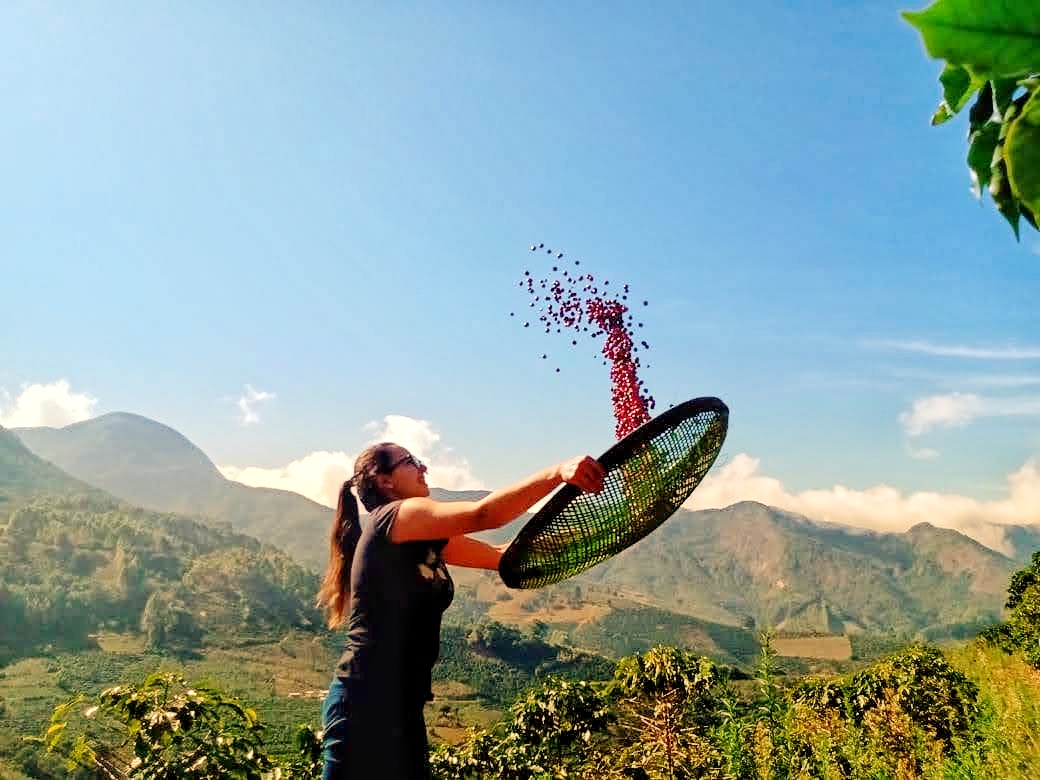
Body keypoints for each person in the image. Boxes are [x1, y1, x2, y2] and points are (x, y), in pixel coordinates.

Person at [316, 441, 605, 779]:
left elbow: (499, 555)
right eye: (411, 461)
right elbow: (484, 515)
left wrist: (593, 532)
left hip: (400, 706)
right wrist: (556, 473)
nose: (423, 468)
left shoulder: (421, 534)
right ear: (385, 481)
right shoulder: (395, 516)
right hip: (364, 703)